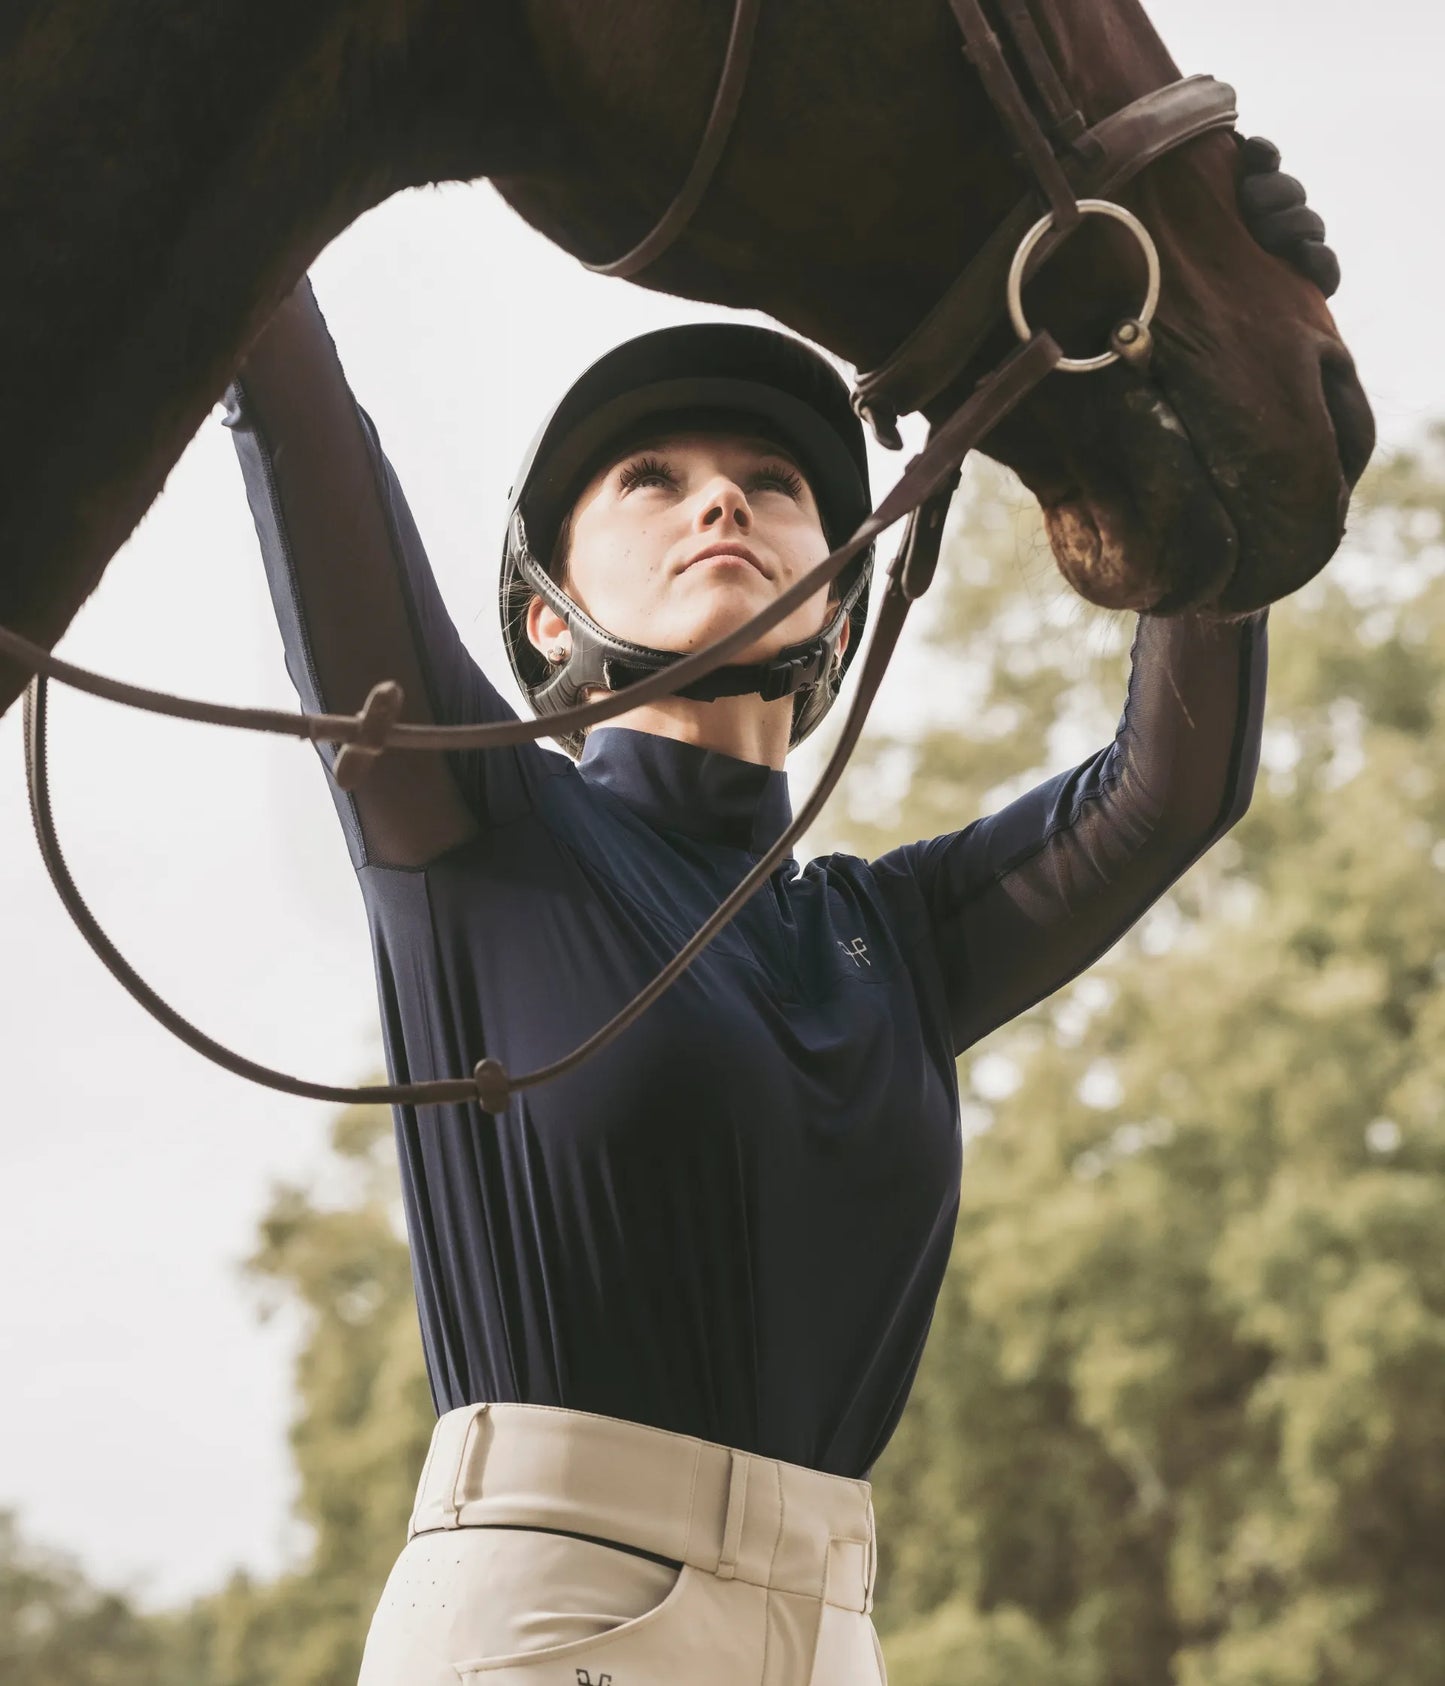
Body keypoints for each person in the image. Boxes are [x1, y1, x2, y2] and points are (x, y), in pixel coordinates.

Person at [223, 143, 1334, 1686]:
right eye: (651, 481)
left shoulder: (889, 935)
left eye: (775, 485)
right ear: (547, 610)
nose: (720, 502)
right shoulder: (475, 823)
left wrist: (1189, 370)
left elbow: (1174, 785)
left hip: (833, 1629)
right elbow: (296, 416)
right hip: (552, 1612)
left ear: (838, 593)